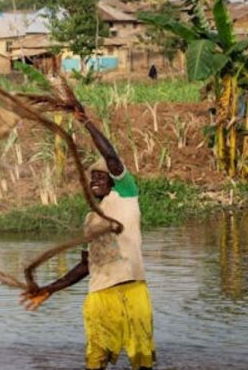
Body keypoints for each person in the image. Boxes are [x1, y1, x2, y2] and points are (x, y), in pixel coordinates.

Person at [20, 117, 155, 370]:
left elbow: (111, 156)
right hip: (99, 295)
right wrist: (49, 289)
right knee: (95, 360)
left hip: (132, 290)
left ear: (114, 180)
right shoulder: (91, 218)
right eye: (92, 177)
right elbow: (86, 265)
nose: (94, 180)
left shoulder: (126, 195)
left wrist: (86, 121)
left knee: (142, 358)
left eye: (101, 176)